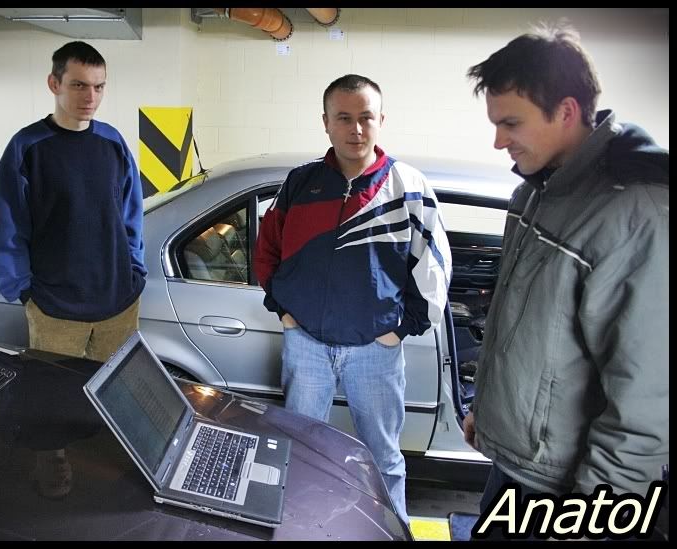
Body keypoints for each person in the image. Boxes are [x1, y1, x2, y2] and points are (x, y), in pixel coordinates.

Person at [463, 21, 669, 536]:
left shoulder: (634, 214)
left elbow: (647, 402)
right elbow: (527, 326)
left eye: (511, 123)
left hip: (568, 494)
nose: (497, 141)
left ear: (567, 111)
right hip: (517, 469)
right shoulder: (536, 190)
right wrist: (489, 413)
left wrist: (594, 519)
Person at [253, 74, 453, 524]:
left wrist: (403, 327)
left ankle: (393, 528)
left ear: (381, 120)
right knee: (300, 449)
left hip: (375, 351)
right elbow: (266, 249)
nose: (356, 129)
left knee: (383, 458)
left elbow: (435, 264)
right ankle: (298, 528)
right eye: (344, 118)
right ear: (326, 122)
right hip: (307, 344)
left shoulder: (407, 185)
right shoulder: (301, 182)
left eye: (366, 117)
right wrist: (282, 308)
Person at [0, 41, 146, 364]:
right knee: (55, 392)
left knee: (116, 390)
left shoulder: (112, 141)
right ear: (54, 83)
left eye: (98, 87)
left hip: (119, 305)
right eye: (79, 85)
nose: (90, 97)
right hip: (55, 309)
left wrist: (135, 271)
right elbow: (9, 225)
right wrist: (24, 291)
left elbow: (131, 214)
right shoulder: (27, 147)